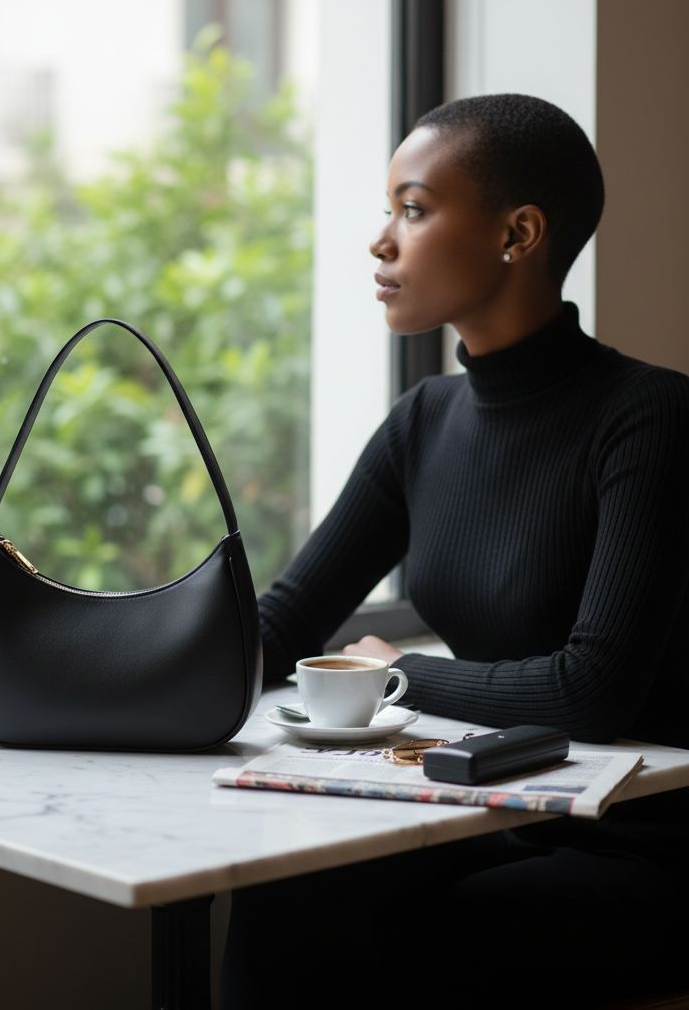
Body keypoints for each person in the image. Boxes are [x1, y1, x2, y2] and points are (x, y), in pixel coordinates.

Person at [220, 93, 689, 1009]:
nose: (381, 242)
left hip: (648, 839)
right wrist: (115, 674)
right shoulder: (424, 423)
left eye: (414, 208)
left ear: (518, 233)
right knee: (283, 896)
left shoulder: (651, 418)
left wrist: (400, 677)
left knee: (417, 943)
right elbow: (286, 620)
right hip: (498, 810)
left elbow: (592, 691)